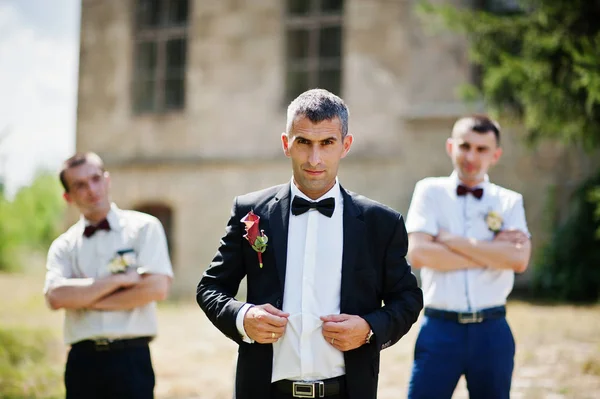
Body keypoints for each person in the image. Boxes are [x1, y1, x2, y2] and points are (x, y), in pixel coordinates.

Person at [197, 89, 423, 399]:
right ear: (286, 144)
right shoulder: (251, 213)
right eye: (303, 142)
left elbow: (407, 300)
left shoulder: (381, 223)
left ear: (345, 145)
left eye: (327, 143)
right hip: (264, 390)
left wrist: (369, 328)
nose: (314, 158)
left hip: (348, 391)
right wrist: (242, 317)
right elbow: (210, 288)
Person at [405, 115, 532, 399]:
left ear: (495, 155)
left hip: (492, 330)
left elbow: (519, 260)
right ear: (451, 147)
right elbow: (419, 254)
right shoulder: (429, 191)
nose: (471, 156)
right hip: (439, 328)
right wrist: (493, 252)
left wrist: (450, 241)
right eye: (465, 146)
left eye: (481, 149)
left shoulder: (509, 201)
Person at [44, 152, 173, 399]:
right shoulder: (64, 245)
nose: (91, 189)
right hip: (82, 362)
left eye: (95, 179)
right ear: (67, 196)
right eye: (80, 185)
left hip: (131, 360)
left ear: (107, 180)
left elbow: (156, 289)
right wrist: (118, 281)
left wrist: (84, 300)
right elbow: (56, 297)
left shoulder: (144, 228)